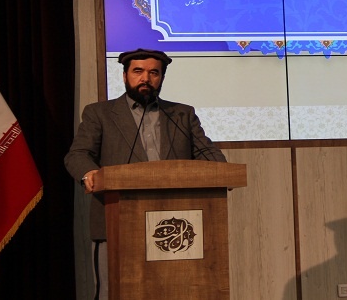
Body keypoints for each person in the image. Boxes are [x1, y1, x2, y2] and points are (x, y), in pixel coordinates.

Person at [64, 48, 226, 299]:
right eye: (138, 71)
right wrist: (89, 173)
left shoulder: (182, 115)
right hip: (116, 221)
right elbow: (77, 155)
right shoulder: (100, 113)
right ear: (124, 76)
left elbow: (212, 157)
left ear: (162, 78)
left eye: (154, 73)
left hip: (174, 225)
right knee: (112, 292)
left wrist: (221, 172)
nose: (145, 79)